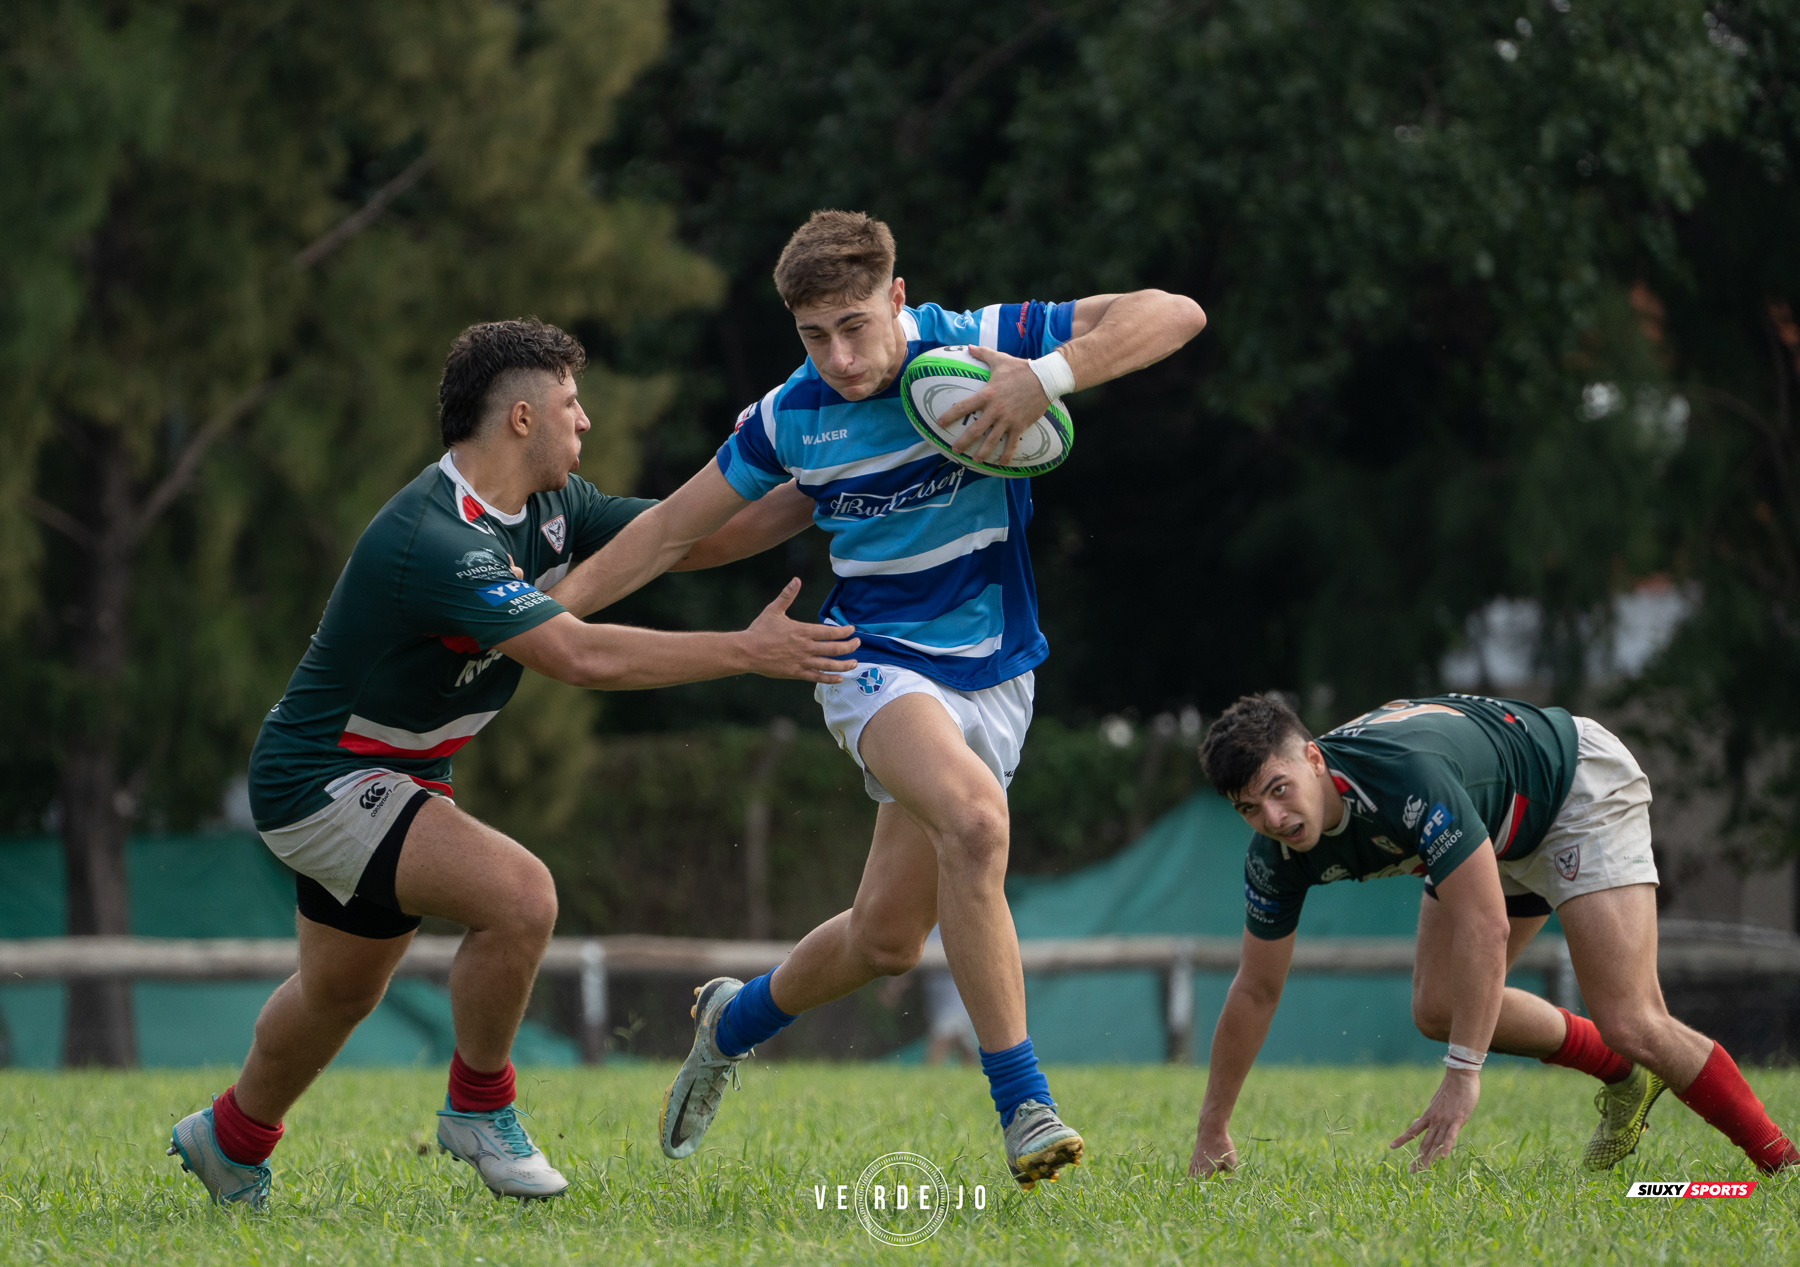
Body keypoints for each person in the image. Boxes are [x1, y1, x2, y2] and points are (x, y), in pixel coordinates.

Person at [547, 209, 1206, 1189]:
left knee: (887, 940)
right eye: (815, 336)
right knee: (977, 827)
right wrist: (540, 615)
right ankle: (1024, 1104)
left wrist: (1047, 375)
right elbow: (678, 533)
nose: (841, 356)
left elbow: (1176, 312)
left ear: (899, 297)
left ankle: (731, 1021)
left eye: (856, 325)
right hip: (871, 663)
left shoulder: (977, 345)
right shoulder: (792, 415)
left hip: (997, 673)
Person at [167, 318, 859, 1209]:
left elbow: (696, 533)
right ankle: (478, 1109)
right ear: (522, 418)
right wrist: (746, 650)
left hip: (394, 774)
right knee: (521, 896)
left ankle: (230, 1139)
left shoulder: (554, 509)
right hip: (321, 777)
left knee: (339, 991)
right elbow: (583, 659)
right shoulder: (437, 536)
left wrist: (844, 468)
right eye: (573, 405)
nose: (588, 423)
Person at [1187, 692, 1800, 1178]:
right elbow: (1256, 990)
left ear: (1314, 759)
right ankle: (1624, 1074)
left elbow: (1485, 924)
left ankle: (1782, 1163)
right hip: (1492, 825)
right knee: (1441, 1008)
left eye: (1278, 789)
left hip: (1570, 787)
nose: (1274, 818)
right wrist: (1213, 1129)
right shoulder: (1274, 855)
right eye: (1248, 808)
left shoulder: (1404, 780)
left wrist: (1462, 1074)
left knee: (1632, 1019)